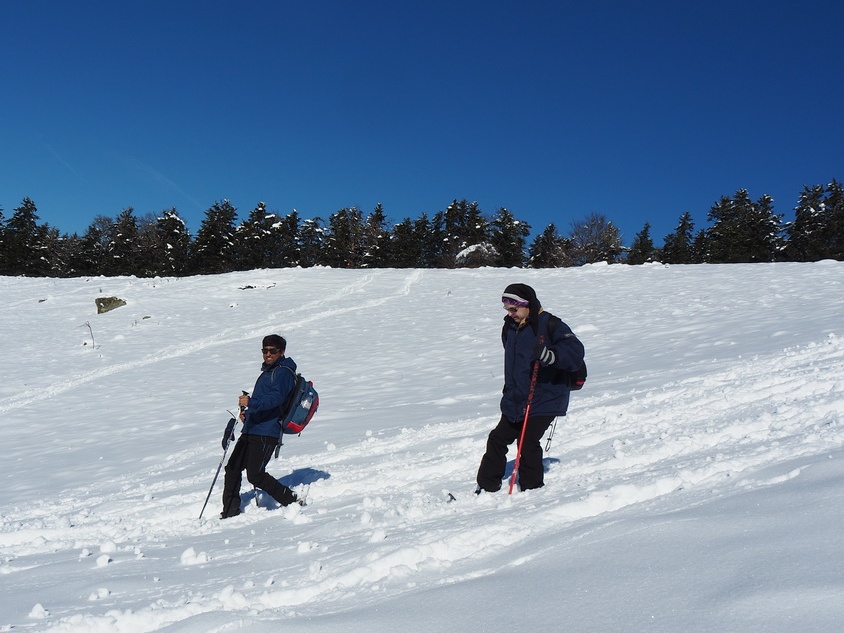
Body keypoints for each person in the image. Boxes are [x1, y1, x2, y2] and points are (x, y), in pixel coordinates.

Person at [476, 283, 585, 493]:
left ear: (527, 305)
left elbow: (575, 351)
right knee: (497, 438)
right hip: (516, 397)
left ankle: (532, 488)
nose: (510, 314)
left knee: (526, 442)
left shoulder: (551, 325)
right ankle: (487, 485)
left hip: (545, 397)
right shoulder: (510, 327)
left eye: (513, 309)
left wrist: (551, 356)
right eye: (507, 309)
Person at [221, 334, 301, 518]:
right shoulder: (268, 372)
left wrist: (251, 401)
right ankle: (230, 511)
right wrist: (247, 413)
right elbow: (265, 402)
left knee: (255, 475)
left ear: (282, 352)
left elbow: (276, 398)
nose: (268, 354)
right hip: (252, 429)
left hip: (267, 432)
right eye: (265, 350)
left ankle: (291, 500)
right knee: (232, 468)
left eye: (273, 351)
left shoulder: (283, 373)